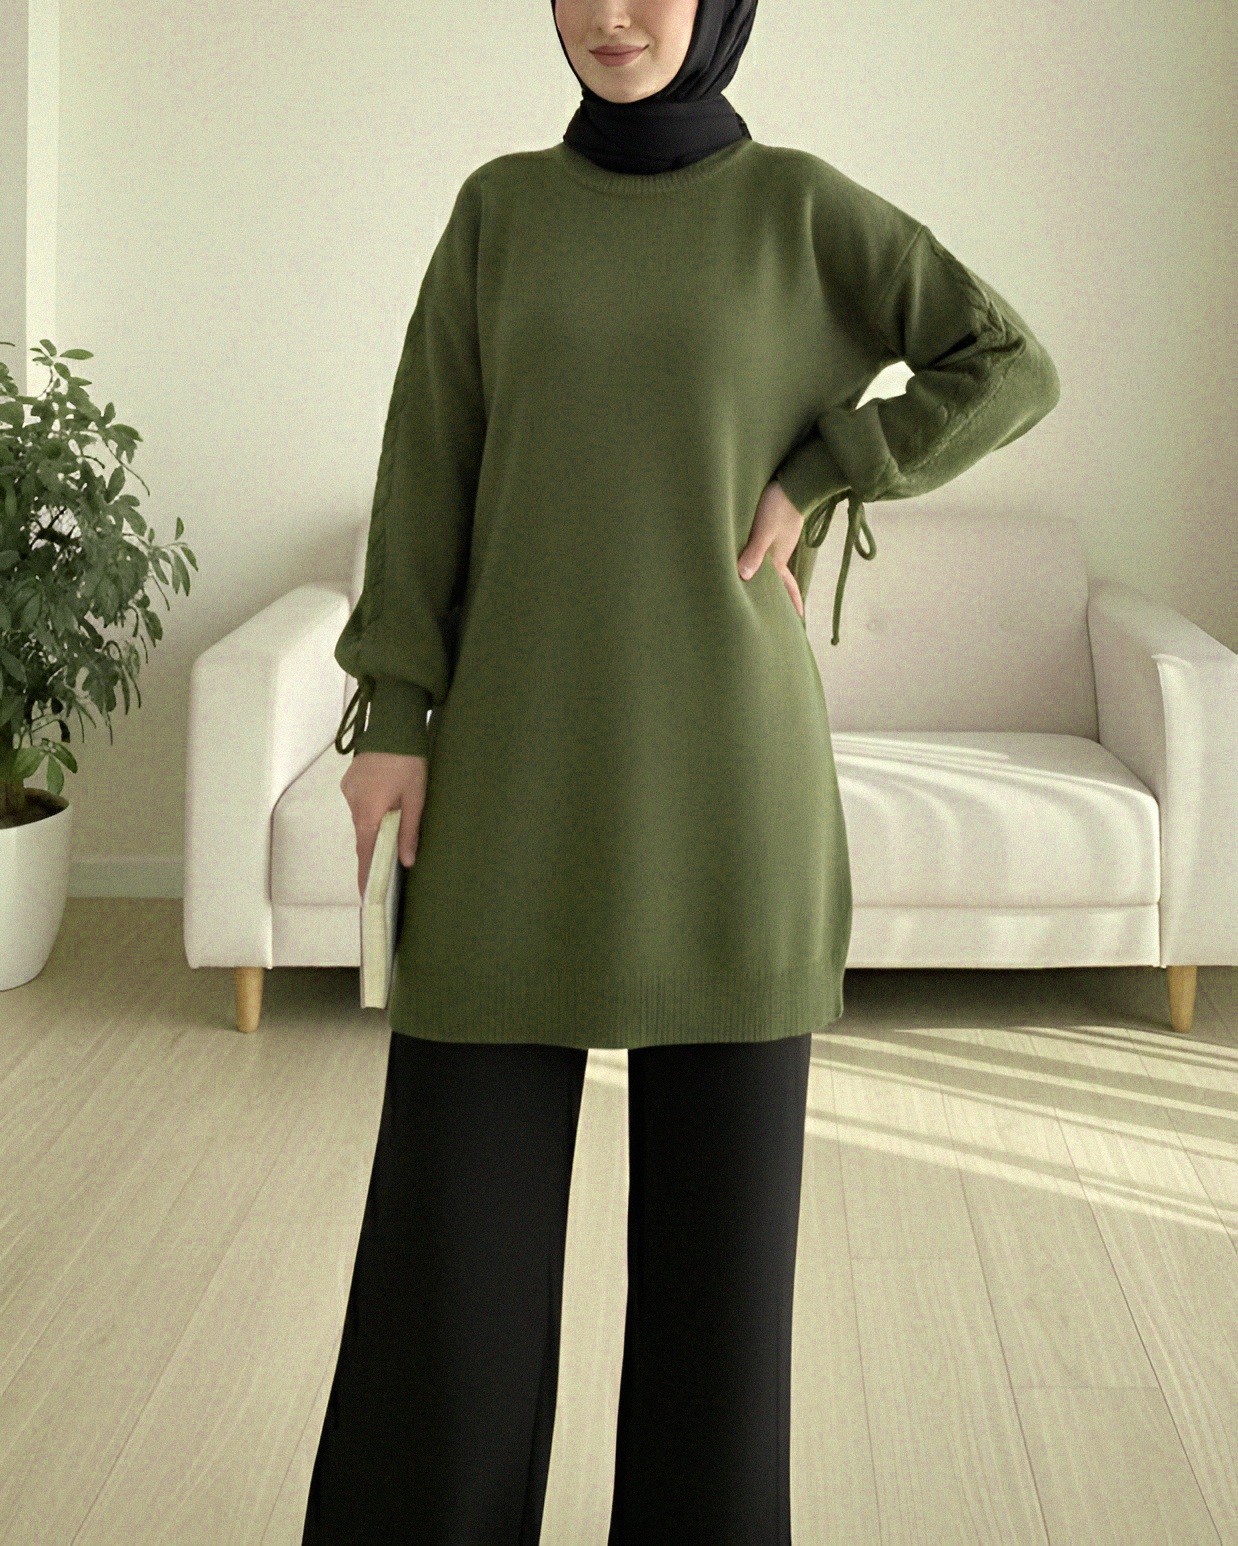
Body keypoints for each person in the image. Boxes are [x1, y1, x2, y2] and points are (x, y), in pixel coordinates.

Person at [302, 1, 1061, 1541]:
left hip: (731, 803)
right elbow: (425, 463)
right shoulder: (501, 213)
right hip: (508, 788)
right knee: (449, 1288)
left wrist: (833, 463)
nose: (611, 13)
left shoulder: (799, 211)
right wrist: (392, 711)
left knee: (718, 1321)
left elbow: (1007, 362)